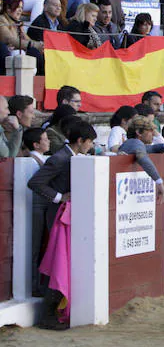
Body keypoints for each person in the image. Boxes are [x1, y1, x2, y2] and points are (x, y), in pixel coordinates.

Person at [27, 119, 96, 328]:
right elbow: (35, 182)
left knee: (62, 262)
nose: (91, 146)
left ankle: (55, 310)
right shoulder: (59, 158)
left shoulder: (74, 157)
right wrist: (58, 197)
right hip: (58, 215)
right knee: (58, 262)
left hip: (68, 216)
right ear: (80, 140)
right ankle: (48, 315)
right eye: (89, 142)